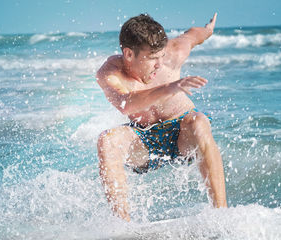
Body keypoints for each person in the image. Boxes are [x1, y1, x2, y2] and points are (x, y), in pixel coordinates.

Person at [96, 13, 227, 221]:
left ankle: (221, 215)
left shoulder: (172, 54)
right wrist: (169, 88)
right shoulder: (111, 72)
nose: (159, 64)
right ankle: (122, 227)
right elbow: (125, 103)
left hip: (183, 134)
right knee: (107, 140)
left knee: (199, 121)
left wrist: (208, 30)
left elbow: (192, 36)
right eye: (152, 59)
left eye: (161, 56)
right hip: (145, 140)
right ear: (129, 54)